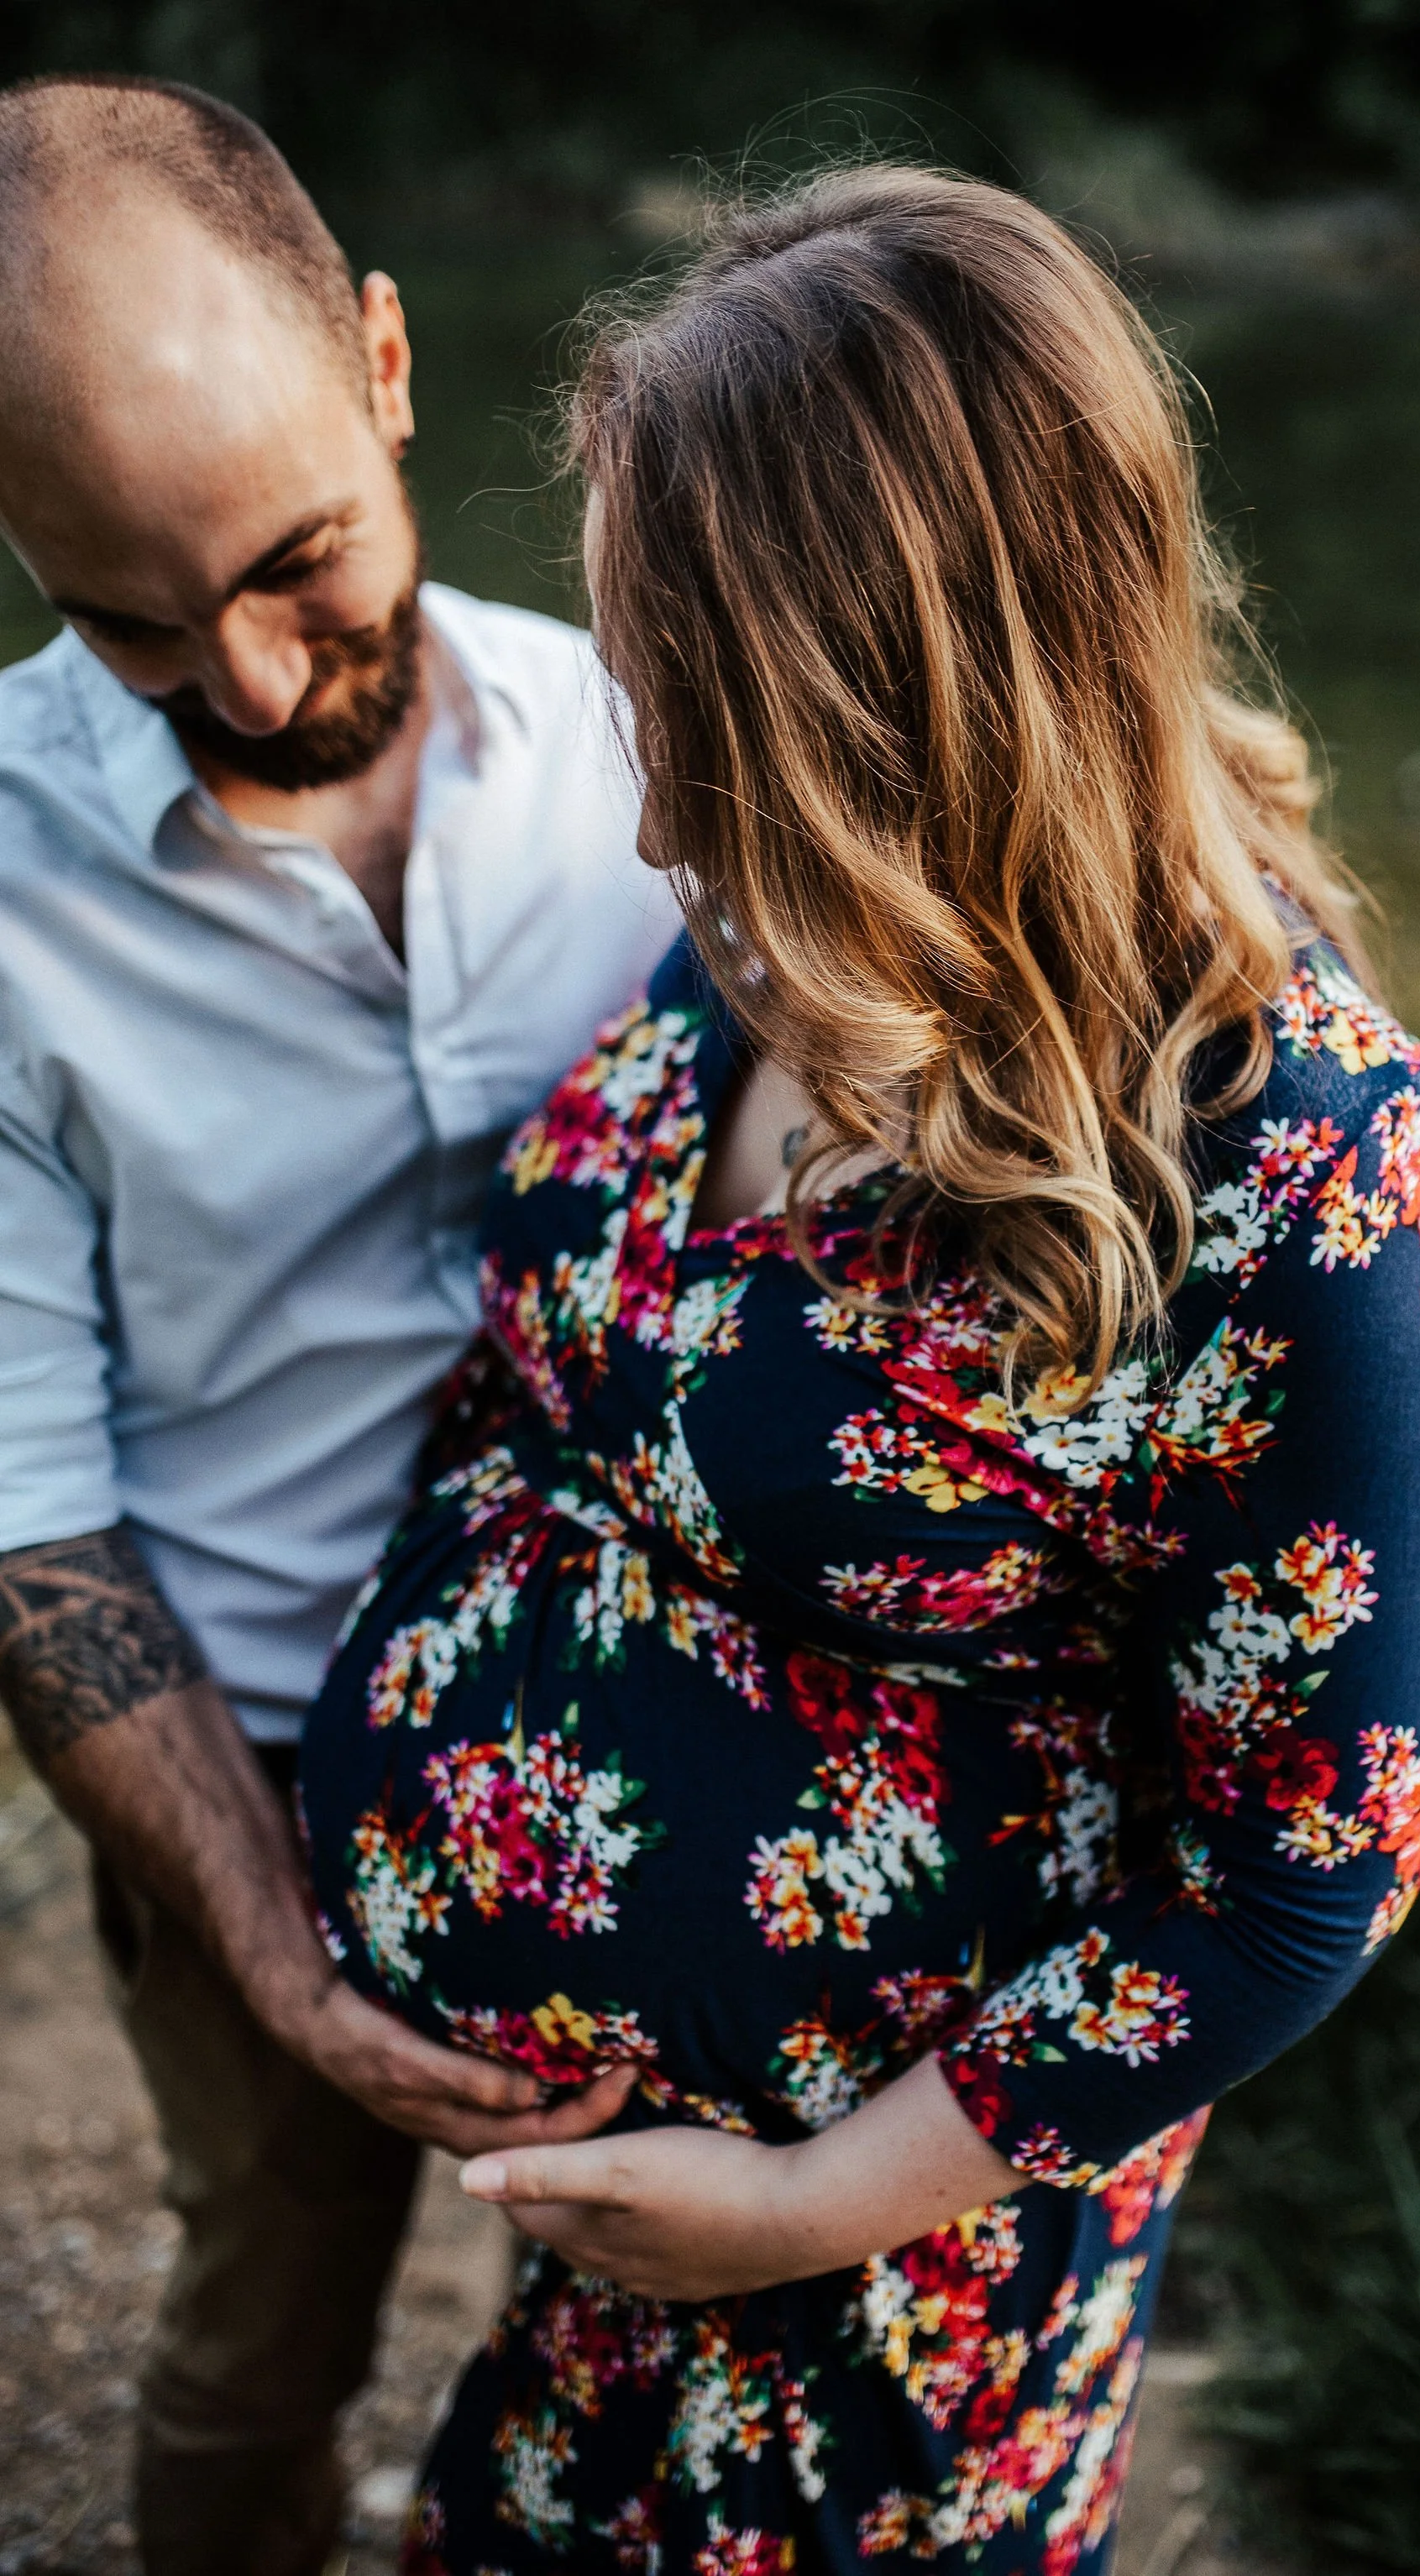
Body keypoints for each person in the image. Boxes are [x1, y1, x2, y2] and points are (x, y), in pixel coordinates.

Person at [298, 165, 1420, 2573]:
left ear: (901, 725)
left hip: (897, 2273)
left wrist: (815, 2198)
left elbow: (1302, 1874)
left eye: (701, 738)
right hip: (630, 2188)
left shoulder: (1294, 1157)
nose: (646, 817)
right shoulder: (769, 918)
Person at [0, 72, 677, 2576]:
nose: (260, 681)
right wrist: (280, 1963)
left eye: (300, 563)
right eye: (133, 622)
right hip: (239, 1764)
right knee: (254, 2336)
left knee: (665, 2359)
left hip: (660, 1741)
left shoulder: (643, 745)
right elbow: (23, 1510)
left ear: (387, 361)